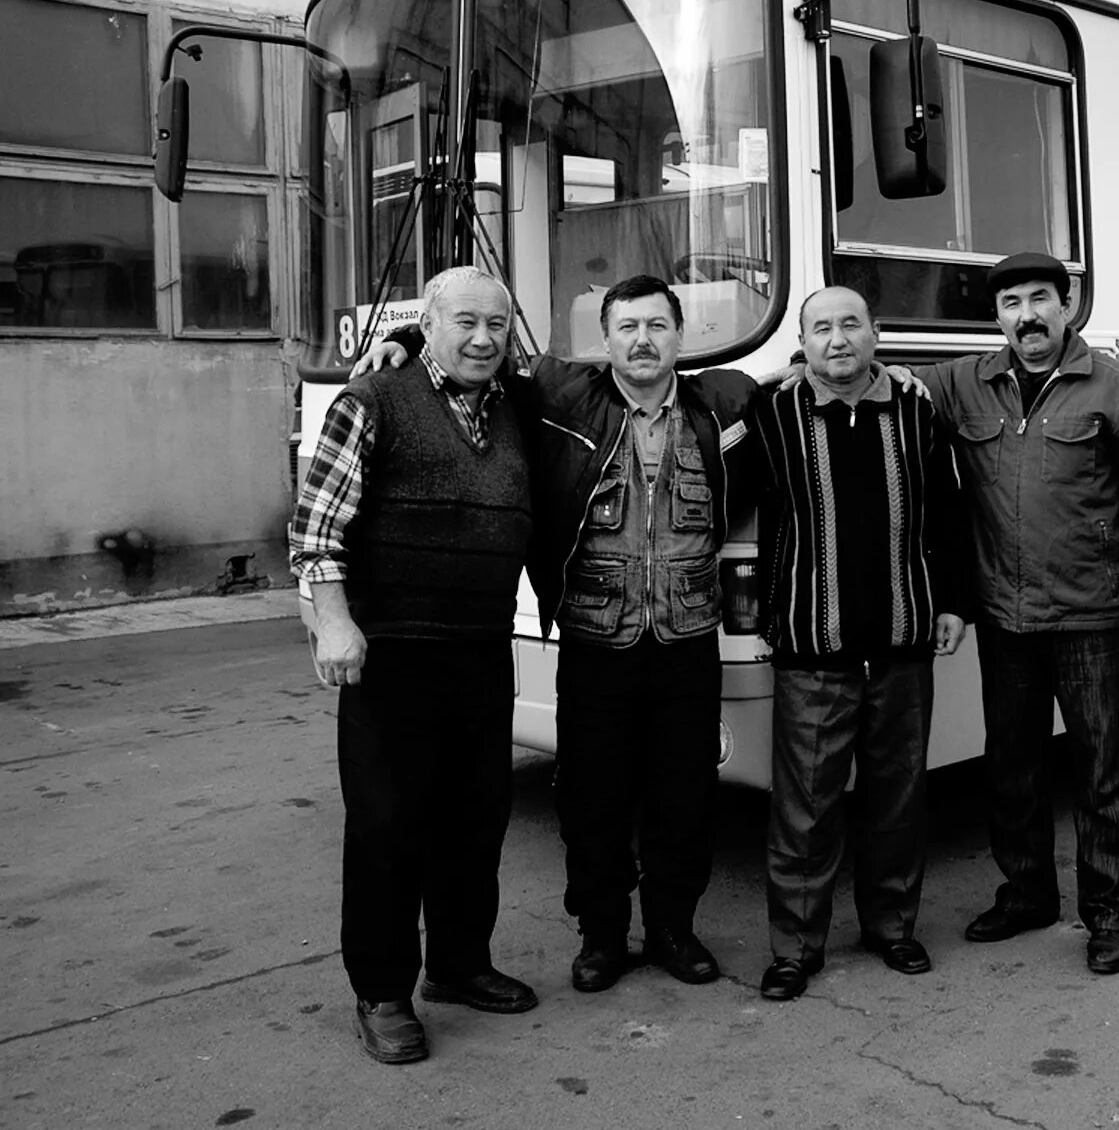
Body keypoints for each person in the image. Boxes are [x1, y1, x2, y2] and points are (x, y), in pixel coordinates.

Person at [358, 274, 759, 996]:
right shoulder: (558, 395)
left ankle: (672, 927)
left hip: (687, 641)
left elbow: (809, 381)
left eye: (657, 325)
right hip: (592, 639)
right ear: (603, 341)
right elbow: (476, 348)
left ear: (680, 336)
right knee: (592, 800)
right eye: (627, 326)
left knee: (684, 796)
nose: (642, 339)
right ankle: (601, 936)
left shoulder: (722, 403)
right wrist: (407, 340)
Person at [920, 251, 1119, 976]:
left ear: (1066, 305)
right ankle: (1027, 894)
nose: (1027, 315)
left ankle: (1110, 914)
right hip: (1004, 619)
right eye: (1011, 302)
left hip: (1088, 617)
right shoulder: (963, 385)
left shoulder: (1113, 386)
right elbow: (892, 391)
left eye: (1040, 298)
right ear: (997, 317)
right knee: (1011, 767)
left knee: (1103, 770)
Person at [290, 266, 538, 1065]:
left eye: (496, 324)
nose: (482, 338)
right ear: (426, 324)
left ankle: (458, 966)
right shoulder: (372, 400)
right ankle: (383, 992)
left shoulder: (515, 404)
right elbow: (316, 530)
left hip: (479, 650)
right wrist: (333, 622)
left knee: (476, 820)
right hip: (390, 657)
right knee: (388, 829)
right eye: (463, 321)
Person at [749, 287, 968, 1002]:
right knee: (804, 807)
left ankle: (891, 927)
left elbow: (951, 509)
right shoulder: (769, 411)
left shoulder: (915, 407)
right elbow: (710, 470)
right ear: (803, 343)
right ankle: (795, 947)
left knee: (897, 798)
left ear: (876, 334)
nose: (837, 339)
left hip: (903, 642)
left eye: (850, 324)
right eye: (821, 328)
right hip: (813, 646)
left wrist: (956, 601)